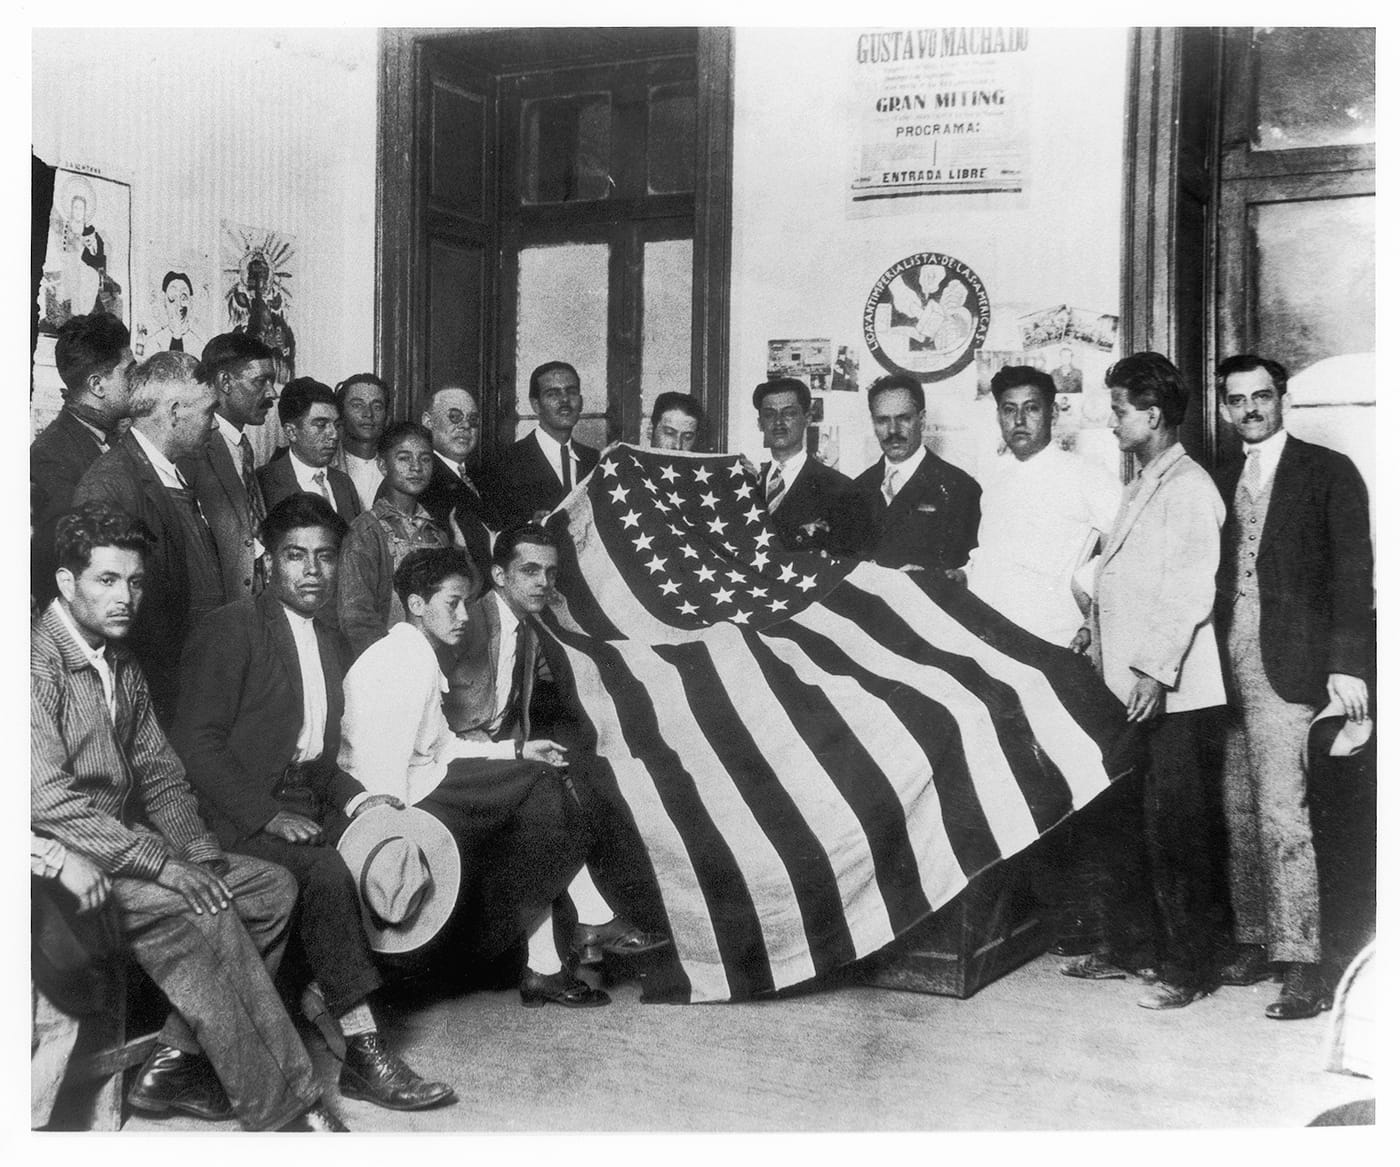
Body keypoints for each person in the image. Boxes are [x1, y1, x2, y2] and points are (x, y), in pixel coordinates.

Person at [31, 501, 346, 1131]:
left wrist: (200, 859)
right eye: (107, 580)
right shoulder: (34, 667)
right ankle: (288, 1106)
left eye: (136, 582)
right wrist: (169, 870)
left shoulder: (120, 661)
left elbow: (162, 777)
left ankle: (175, 1060)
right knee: (206, 908)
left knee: (268, 887)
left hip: (124, 854)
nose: (126, 597)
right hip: (58, 867)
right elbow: (50, 804)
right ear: (67, 584)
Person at [171, 493, 456, 1111]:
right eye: (295, 555)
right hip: (229, 811)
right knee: (326, 870)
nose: (311, 571)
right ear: (267, 560)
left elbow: (320, 760)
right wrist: (266, 814)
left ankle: (327, 1003)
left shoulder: (327, 639)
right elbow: (195, 744)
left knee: (392, 840)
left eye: (325, 558)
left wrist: (361, 801)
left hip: (303, 799)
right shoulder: (230, 629)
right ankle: (364, 1049)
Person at [339, 546, 607, 1008]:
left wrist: (517, 749)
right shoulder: (398, 660)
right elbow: (379, 773)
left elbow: (443, 746)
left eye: (467, 602)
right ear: (418, 605)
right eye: (453, 603)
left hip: (426, 781)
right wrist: (412, 835)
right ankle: (577, 933)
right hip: (398, 805)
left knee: (537, 781)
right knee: (538, 791)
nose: (464, 615)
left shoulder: (418, 653)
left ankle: (552, 957)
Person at [1063, 352, 1230, 1010]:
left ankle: (1190, 968)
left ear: (1153, 415)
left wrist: (1156, 671)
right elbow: (1121, 580)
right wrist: (1093, 633)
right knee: (1126, 821)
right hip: (1129, 688)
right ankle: (1133, 946)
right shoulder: (1144, 481)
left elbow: (1189, 590)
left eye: (1121, 409)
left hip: (1171, 693)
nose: (1113, 421)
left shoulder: (1189, 487)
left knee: (1178, 830)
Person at [1212, 353, 1374, 1020]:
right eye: (1238, 399)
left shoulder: (1327, 471)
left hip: (1293, 663)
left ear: (1282, 399)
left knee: (1285, 812)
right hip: (1221, 665)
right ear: (1225, 408)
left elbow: (1350, 572)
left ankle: (1303, 961)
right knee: (1239, 807)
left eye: (1262, 396)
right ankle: (1257, 939)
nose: (1251, 408)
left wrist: (1347, 664)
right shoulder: (1219, 479)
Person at [443, 524, 672, 973]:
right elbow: (453, 722)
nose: (542, 583)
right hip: (451, 763)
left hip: (499, 757)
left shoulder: (527, 629)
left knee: (578, 775)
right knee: (546, 790)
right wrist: (513, 754)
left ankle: (554, 959)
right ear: (499, 575)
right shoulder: (471, 619)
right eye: (529, 570)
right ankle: (591, 922)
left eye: (550, 573)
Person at [73, 350, 223, 724]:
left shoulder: (174, 472)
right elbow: (105, 617)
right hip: (153, 696)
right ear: (174, 412)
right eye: (209, 411)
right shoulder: (110, 486)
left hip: (191, 683)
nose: (216, 425)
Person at [960, 365, 1121, 645]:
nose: (1019, 420)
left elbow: (1128, 548)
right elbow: (993, 558)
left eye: (1031, 408)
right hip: (990, 636)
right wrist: (963, 574)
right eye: (1009, 410)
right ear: (998, 416)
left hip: (1053, 639)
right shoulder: (995, 482)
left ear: (1054, 413)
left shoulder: (1087, 475)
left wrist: (1080, 590)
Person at [31, 312, 136, 607]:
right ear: (97, 385)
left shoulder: (116, 438)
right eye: (129, 372)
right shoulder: (50, 456)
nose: (138, 381)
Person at [178, 332, 277, 603]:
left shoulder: (242, 446)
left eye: (271, 381)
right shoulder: (194, 447)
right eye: (260, 382)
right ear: (224, 381)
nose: (272, 393)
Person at [337, 421, 450, 657]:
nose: (416, 467)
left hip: (435, 663)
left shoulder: (436, 534)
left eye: (425, 459)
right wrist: (391, 665)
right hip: (387, 666)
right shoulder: (366, 532)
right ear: (382, 464)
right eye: (404, 458)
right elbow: (356, 617)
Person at [852, 373, 979, 573]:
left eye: (904, 418)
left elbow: (969, 571)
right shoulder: (856, 490)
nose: (893, 430)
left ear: (921, 419)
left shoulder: (960, 488)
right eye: (883, 420)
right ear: (873, 423)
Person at [754, 377, 866, 556]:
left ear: (807, 419)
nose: (778, 422)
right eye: (769, 414)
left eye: (789, 413)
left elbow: (847, 562)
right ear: (760, 423)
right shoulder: (748, 485)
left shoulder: (840, 489)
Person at [494, 361, 600, 529]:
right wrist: (531, 525)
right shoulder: (505, 462)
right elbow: (499, 533)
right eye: (553, 394)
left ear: (581, 402)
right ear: (536, 405)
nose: (565, 399)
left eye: (571, 392)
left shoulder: (595, 461)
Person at [418, 384, 499, 581]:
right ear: (428, 421)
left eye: (473, 419)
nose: (465, 426)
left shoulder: (484, 477)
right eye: (454, 416)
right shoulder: (421, 478)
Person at [257, 377, 362, 521]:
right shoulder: (264, 482)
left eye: (337, 425)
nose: (334, 434)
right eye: (321, 425)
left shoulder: (343, 483)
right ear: (291, 432)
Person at [333, 372, 392, 511]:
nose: (368, 414)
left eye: (377, 407)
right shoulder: (327, 464)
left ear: (387, 417)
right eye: (357, 405)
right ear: (341, 414)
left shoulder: (395, 466)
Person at [143, 271, 207, 356]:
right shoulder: (153, 344)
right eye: (172, 298)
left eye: (184, 298)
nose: (179, 305)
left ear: (191, 302)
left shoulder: (199, 346)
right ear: (164, 301)